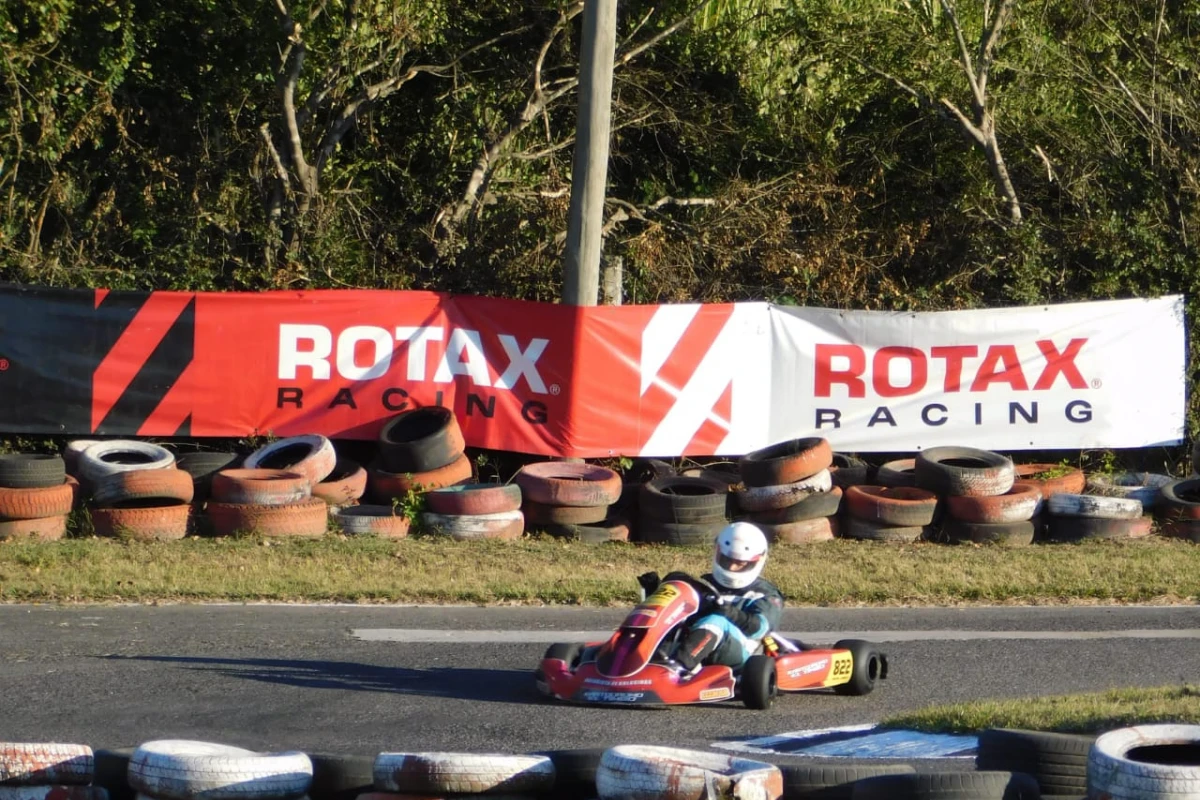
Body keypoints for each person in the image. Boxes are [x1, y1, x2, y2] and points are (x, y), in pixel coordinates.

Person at [638, 521, 785, 675]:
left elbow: (760, 629)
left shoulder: (765, 593)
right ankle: (634, 664)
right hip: (695, 643)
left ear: (756, 561)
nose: (732, 567)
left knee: (716, 621)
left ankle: (678, 668)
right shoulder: (705, 583)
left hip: (741, 653)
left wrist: (731, 614)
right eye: (727, 560)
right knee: (668, 622)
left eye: (740, 563)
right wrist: (655, 593)